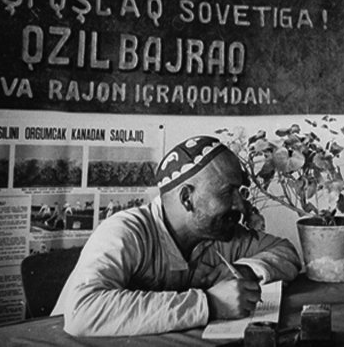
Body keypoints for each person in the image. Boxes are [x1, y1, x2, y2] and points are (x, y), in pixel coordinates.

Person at [52, 136, 301, 336]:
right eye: (228, 192)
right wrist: (210, 304)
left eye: (239, 191)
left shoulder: (218, 233)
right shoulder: (125, 232)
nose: (240, 205)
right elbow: (82, 311)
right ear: (186, 198)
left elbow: (285, 251)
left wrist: (247, 270)